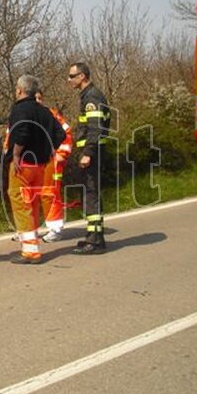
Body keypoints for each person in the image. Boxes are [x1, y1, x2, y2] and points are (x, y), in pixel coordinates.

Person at [4, 75, 66, 264]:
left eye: (16, 88)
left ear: (21, 90)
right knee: (32, 204)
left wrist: (16, 154)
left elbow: (22, 132)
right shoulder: (45, 111)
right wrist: (47, 150)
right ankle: (32, 247)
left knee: (21, 204)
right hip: (41, 165)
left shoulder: (20, 109)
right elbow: (61, 133)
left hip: (23, 164)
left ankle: (30, 251)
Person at [68, 62, 111, 254]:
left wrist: (87, 153)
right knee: (90, 192)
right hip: (92, 152)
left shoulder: (92, 97)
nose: (69, 80)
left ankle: (95, 242)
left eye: (72, 76)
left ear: (83, 76)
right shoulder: (88, 96)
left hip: (93, 154)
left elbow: (96, 128)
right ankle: (94, 236)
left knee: (91, 193)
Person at [35, 89, 73, 242]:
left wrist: (61, 154)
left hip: (50, 162)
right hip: (30, 164)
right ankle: (28, 230)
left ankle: (55, 228)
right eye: (34, 98)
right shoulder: (22, 113)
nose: (37, 101)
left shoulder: (51, 114)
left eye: (40, 98)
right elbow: (11, 136)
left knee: (49, 193)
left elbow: (67, 133)